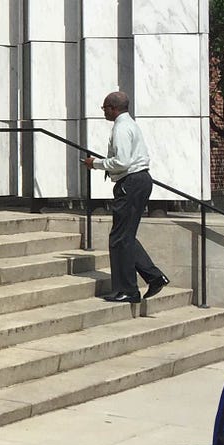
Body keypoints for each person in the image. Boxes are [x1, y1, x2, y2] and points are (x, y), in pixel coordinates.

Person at [82, 91, 170, 304]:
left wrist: (96, 163)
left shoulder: (121, 128)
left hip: (131, 183)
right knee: (124, 236)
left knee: (119, 238)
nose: (103, 112)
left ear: (113, 108)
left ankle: (128, 290)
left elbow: (122, 162)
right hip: (139, 181)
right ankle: (153, 277)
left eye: (104, 108)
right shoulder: (130, 125)